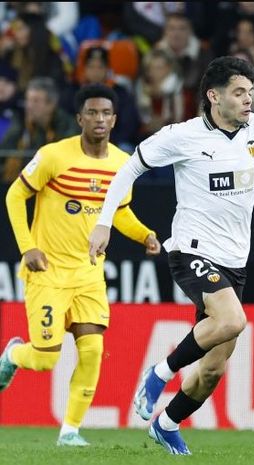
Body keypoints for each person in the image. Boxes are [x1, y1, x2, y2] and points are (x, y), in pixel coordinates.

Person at [87, 57, 254, 455]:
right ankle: (157, 375)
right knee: (233, 319)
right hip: (192, 249)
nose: (248, 101)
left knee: (212, 370)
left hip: (235, 260)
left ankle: (167, 423)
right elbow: (128, 168)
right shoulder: (182, 135)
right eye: (240, 93)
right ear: (213, 96)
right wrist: (104, 222)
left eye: (250, 93)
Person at [0, 83, 160, 446]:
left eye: (106, 113)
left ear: (115, 119)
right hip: (48, 273)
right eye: (92, 112)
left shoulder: (123, 164)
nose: (99, 119)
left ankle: (70, 431)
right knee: (44, 360)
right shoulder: (54, 155)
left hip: (89, 274)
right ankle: (12, 354)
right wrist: (27, 247)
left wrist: (144, 235)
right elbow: (14, 194)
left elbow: (119, 212)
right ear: (79, 118)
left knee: (92, 349)